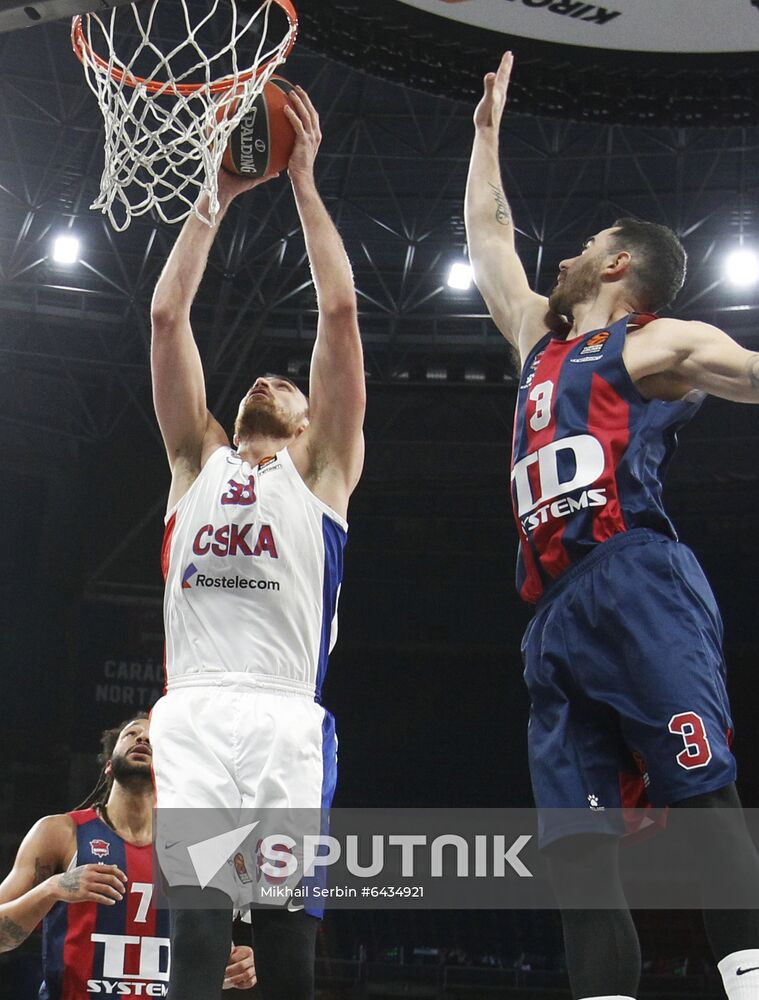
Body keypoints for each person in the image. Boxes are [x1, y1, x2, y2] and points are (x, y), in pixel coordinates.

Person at [465, 51, 759, 1000]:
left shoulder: (655, 343)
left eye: (587, 242)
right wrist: (483, 136)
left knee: (700, 795)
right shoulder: (538, 343)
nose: (566, 253)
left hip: (633, 578)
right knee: (579, 854)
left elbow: (748, 372)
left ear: (618, 263)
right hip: (553, 620)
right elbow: (489, 241)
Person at [149, 84, 365, 1000]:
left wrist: (304, 183)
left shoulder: (321, 473)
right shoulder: (194, 459)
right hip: (193, 708)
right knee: (197, 939)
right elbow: (166, 319)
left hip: (283, 715)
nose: (274, 378)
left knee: (282, 953)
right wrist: (216, 189)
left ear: (316, 422)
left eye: (292, 384)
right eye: (264, 378)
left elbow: (341, 315)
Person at [0, 714, 256, 997]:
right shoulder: (60, 832)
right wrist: (53, 888)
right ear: (109, 765)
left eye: (154, 739)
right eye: (131, 734)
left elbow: (208, 954)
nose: (143, 738)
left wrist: (234, 967)